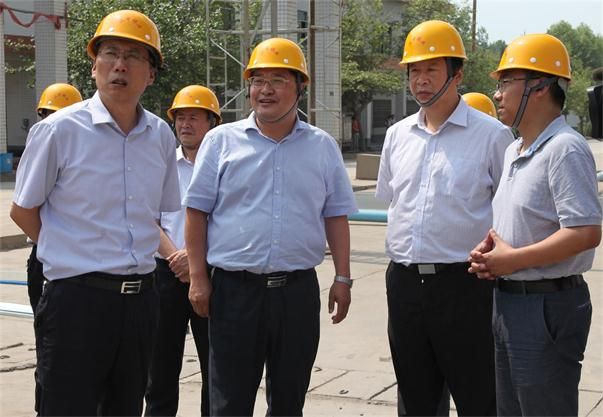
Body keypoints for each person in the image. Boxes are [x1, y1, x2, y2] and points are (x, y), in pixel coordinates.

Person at [10, 9, 180, 416]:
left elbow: (152, 215)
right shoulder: (59, 130)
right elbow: (23, 210)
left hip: (140, 303)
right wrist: (69, 250)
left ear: (151, 74)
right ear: (94, 66)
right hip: (76, 303)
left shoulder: (159, 135)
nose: (120, 65)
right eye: (110, 54)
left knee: (126, 407)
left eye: (133, 56)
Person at [183, 37, 357, 417]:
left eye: (278, 80)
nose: (265, 90)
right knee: (228, 403)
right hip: (234, 293)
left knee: (289, 401)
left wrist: (343, 277)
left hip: (296, 294)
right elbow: (196, 212)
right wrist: (198, 277)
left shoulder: (322, 147)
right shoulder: (221, 142)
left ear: (300, 88)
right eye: (258, 80)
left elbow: (335, 215)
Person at [376, 20, 514, 416]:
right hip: (404, 284)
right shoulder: (397, 135)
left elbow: (507, 213)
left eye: (431, 69)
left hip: (465, 287)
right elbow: (392, 201)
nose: (420, 80)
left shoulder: (492, 136)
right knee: (415, 398)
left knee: (479, 397)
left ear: (457, 74)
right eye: (414, 71)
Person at [469, 33, 602, 417]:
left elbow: (586, 231)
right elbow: (520, 220)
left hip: (546, 306)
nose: (497, 94)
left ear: (540, 87)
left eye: (506, 82)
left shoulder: (564, 148)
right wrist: (491, 250)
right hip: (509, 301)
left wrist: (514, 260)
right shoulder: (515, 149)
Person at [145, 85, 221, 417]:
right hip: (165, 273)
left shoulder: (224, 166)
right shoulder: (161, 166)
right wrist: (177, 257)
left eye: (194, 117)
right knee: (159, 367)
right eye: (180, 118)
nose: (185, 124)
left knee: (215, 368)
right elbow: (147, 218)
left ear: (212, 123)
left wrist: (195, 259)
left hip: (211, 273)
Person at [27, 83, 83, 314]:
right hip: (47, 251)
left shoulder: (84, 155)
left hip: (79, 255)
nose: (52, 122)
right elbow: (23, 210)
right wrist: (54, 246)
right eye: (47, 115)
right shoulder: (38, 148)